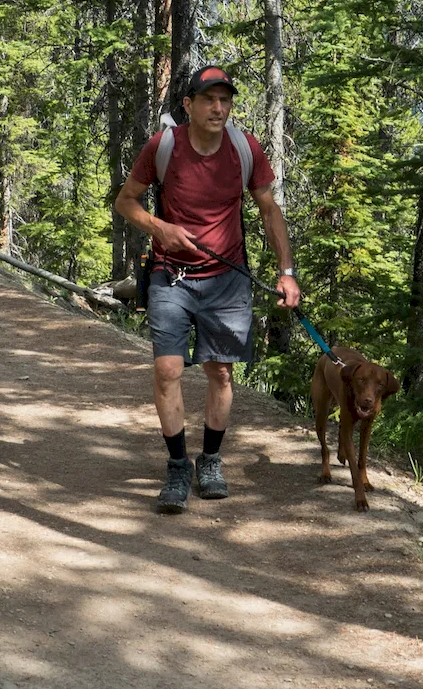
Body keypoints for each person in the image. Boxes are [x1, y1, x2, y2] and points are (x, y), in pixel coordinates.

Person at [114, 67, 301, 513]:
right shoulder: (164, 147)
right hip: (171, 276)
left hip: (228, 278)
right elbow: (125, 201)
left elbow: (269, 209)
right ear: (189, 105)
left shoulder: (244, 147)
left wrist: (287, 271)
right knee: (168, 370)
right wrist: (159, 228)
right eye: (209, 100)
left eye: (225, 100)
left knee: (220, 373)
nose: (219, 109)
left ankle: (210, 460)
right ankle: (178, 465)